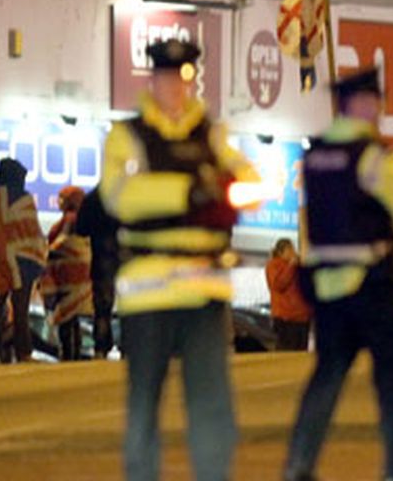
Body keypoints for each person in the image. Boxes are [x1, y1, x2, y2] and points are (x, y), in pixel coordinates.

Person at [100, 38, 259, 481]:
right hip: (147, 292)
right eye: (167, 78)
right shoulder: (127, 136)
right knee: (144, 406)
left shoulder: (212, 135)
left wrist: (227, 188)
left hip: (203, 288)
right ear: (153, 80)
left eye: (183, 77)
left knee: (212, 407)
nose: (175, 87)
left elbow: (248, 182)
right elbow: (121, 198)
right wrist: (189, 191)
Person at [284, 68, 393, 481]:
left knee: (327, 376)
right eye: (375, 102)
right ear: (361, 104)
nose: (379, 110)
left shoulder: (315, 154)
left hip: (327, 284)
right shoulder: (371, 155)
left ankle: (298, 465)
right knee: (390, 384)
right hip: (370, 283)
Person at [0, 157, 47, 363]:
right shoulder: (25, 199)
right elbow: (33, 232)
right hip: (23, 261)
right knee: (21, 310)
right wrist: (40, 260)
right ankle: (23, 351)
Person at [41, 186, 93, 360]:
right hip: (78, 276)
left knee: (66, 317)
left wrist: (47, 255)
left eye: (62, 199)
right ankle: (74, 352)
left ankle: (68, 353)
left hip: (67, 276)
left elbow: (62, 243)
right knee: (73, 318)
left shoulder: (69, 220)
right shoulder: (84, 221)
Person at [75, 187, 120, 359]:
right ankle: (128, 347)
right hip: (126, 255)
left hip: (101, 257)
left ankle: (101, 347)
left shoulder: (93, 198)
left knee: (102, 308)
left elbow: (81, 229)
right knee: (130, 305)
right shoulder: (126, 193)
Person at [265, 238, 311, 351]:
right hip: (286, 318)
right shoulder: (274, 265)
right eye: (290, 249)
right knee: (287, 352)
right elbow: (278, 284)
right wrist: (291, 266)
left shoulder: (297, 265)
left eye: (293, 249)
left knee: (300, 354)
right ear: (281, 252)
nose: (293, 252)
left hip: (302, 318)